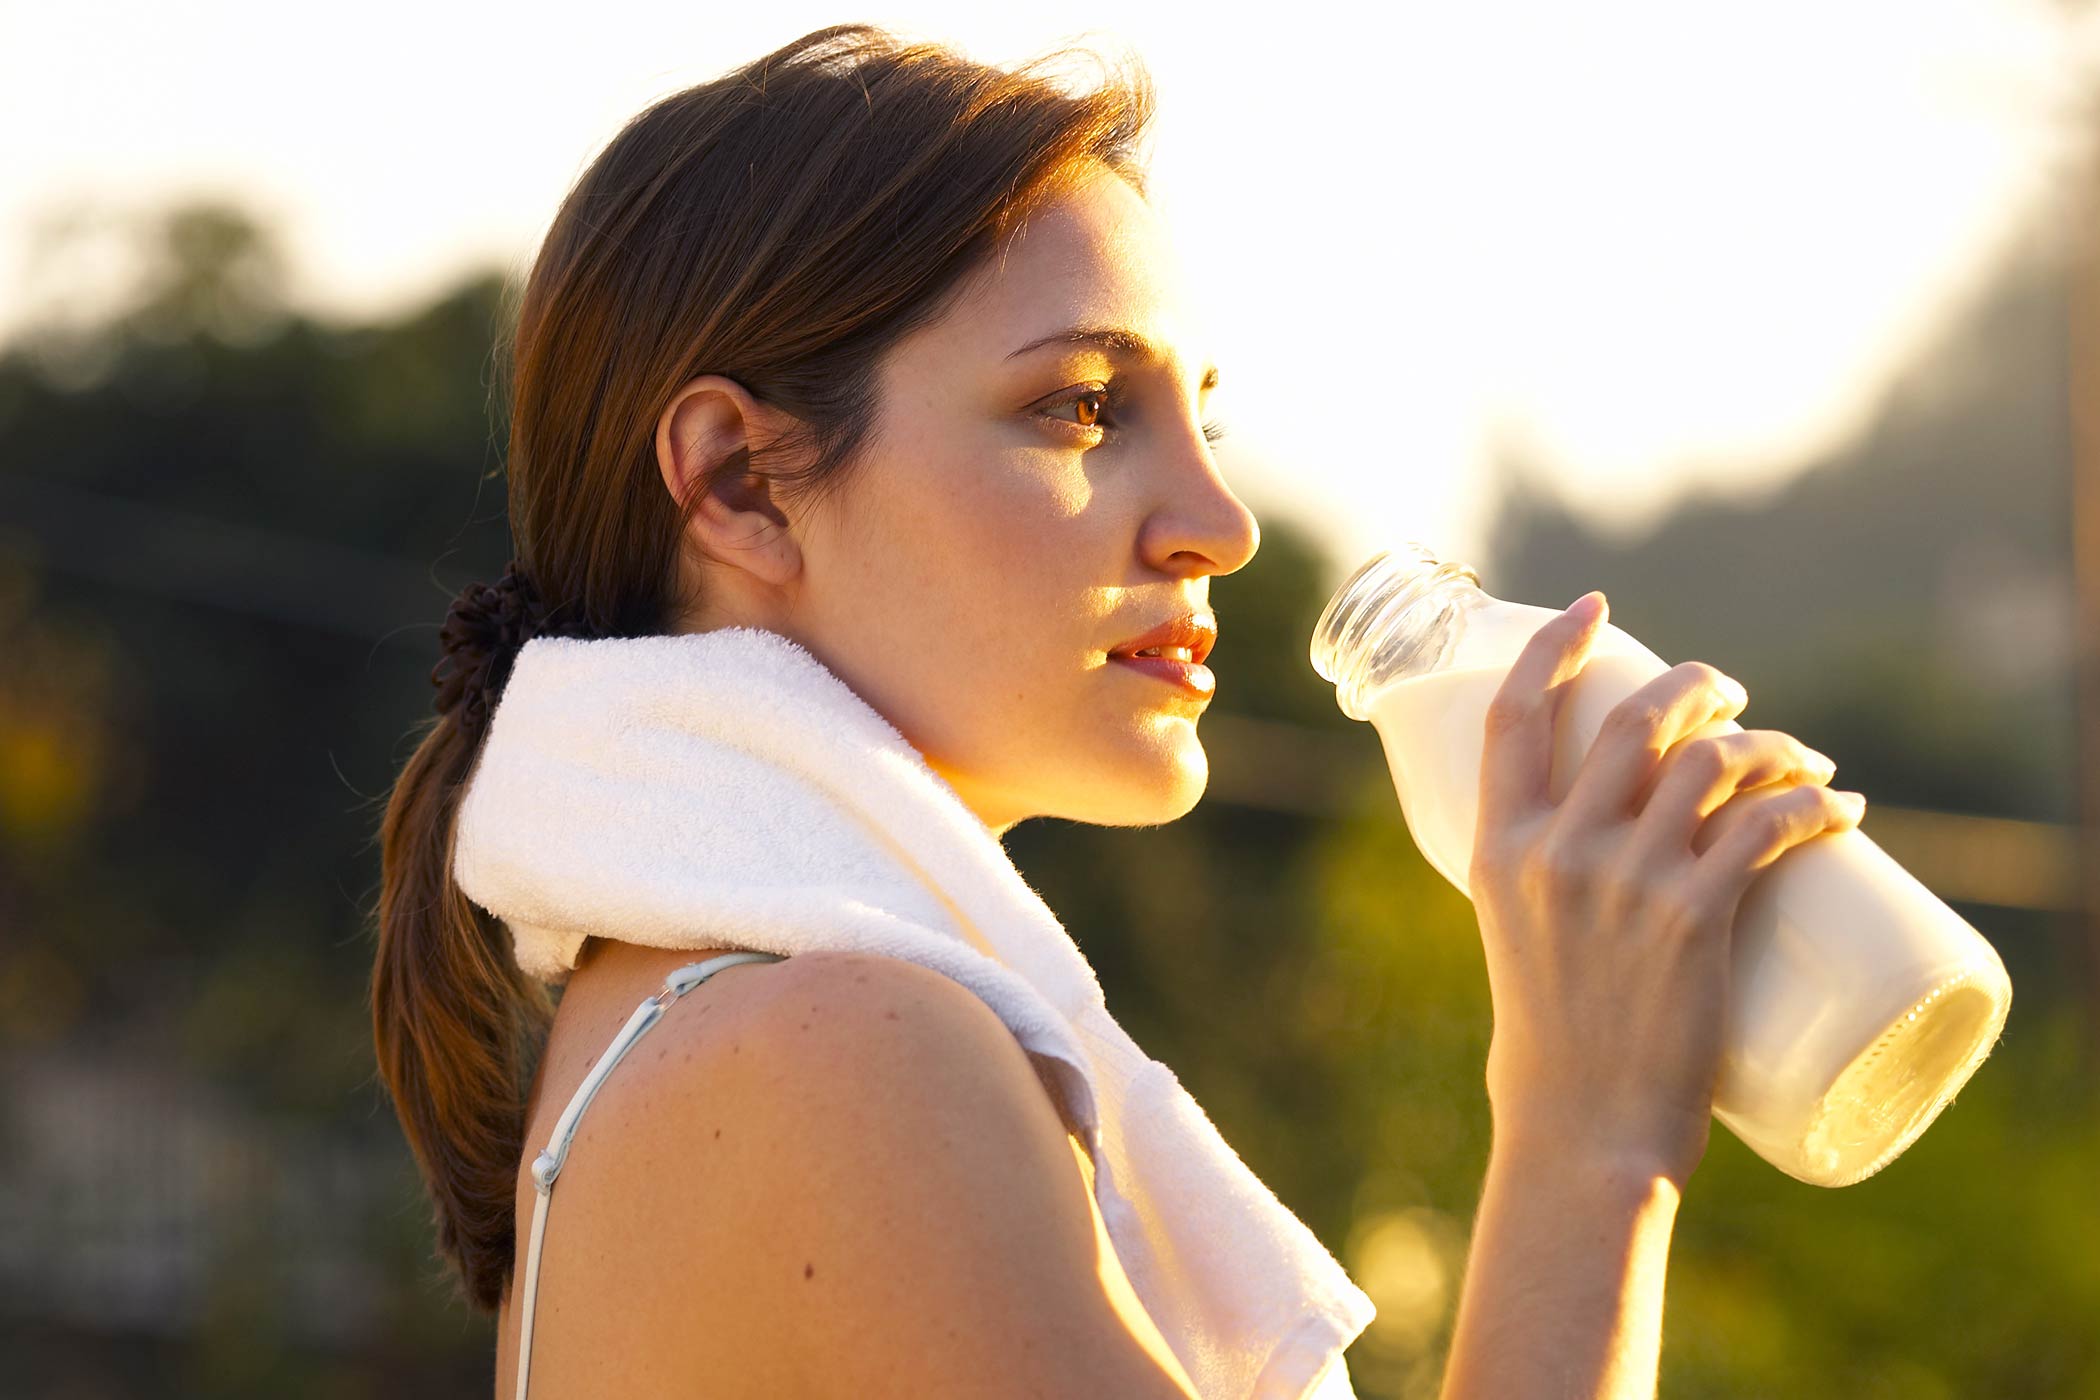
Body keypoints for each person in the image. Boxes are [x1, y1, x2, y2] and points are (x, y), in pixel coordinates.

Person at [369, 22, 1864, 1400]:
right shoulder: (838, 1043)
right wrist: (1590, 1137)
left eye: (1199, 416)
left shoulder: (690, 1026)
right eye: (1082, 408)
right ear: (740, 483)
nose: (1221, 522)